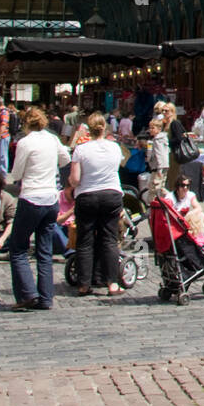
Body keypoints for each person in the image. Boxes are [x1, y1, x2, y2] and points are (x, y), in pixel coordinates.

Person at [6, 107, 70, 310]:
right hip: (51, 199)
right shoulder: (52, 139)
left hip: (32, 197)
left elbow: (16, 173)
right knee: (45, 250)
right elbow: (65, 159)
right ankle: (46, 297)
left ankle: (27, 294)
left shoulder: (25, 142)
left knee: (18, 248)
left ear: (26, 123)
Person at [70, 112, 125, 297]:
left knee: (85, 240)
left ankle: (84, 284)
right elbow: (117, 167)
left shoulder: (81, 149)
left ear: (88, 128)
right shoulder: (115, 147)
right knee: (109, 239)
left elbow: (75, 179)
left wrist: (72, 183)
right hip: (111, 194)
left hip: (87, 195)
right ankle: (112, 283)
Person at [145, 116, 170, 201]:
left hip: (158, 167)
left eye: (153, 128)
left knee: (154, 188)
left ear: (159, 129)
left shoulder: (157, 140)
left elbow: (160, 154)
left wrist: (159, 169)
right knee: (161, 187)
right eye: (150, 128)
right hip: (164, 166)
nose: (150, 130)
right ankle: (167, 201)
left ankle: (151, 206)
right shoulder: (162, 138)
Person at [0, 95, 12, 173]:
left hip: (3, 137)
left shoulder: (4, 112)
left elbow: (3, 124)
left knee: (2, 156)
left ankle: (3, 174)